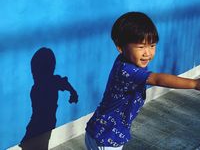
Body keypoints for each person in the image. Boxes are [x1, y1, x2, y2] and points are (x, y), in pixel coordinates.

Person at [85, 12, 200, 150]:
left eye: (152, 45)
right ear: (120, 47)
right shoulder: (126, 70)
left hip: (108, 132)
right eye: (141, 47)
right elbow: (158, 79)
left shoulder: (129, 60)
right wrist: (195, 84)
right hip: (105, 138)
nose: (147, 53)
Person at [20, 47, 78, 150]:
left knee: (30, 145)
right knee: (41, 145)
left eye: (34, 71)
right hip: (48, 123)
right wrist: (73, 93)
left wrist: (73, 93)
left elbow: (64, 83)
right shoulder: (53, 81)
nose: (33, 74)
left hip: (38, 126)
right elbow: (65, 83)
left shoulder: (41, 85)